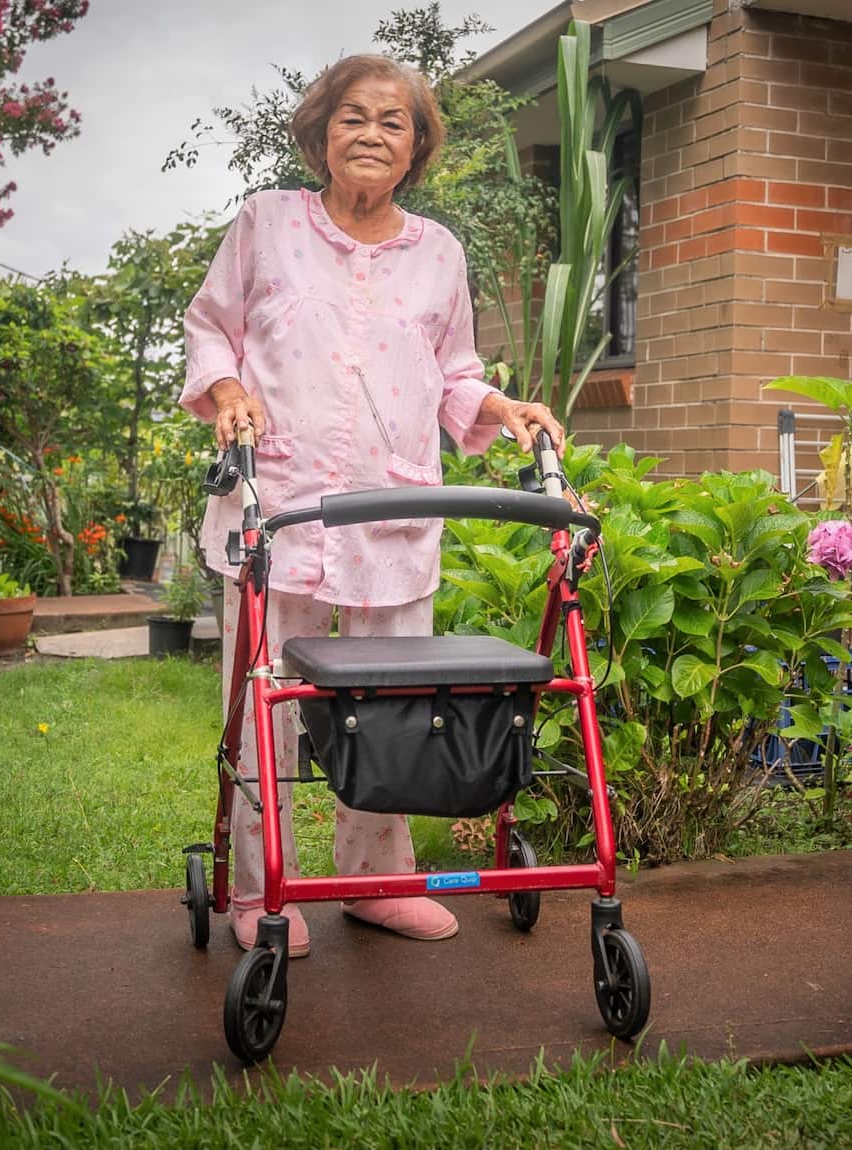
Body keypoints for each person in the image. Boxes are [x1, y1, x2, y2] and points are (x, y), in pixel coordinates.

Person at [180, 53, 564, 958]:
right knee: (267, 705)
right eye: (354, 116)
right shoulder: (267, 223)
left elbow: (455, 374)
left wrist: (500, 409)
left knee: (388, 704)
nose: (372, 134)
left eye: (394, 123)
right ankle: (257, 885)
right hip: (276, 505)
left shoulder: (438, 253)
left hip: (391, 510)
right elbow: (211, 326)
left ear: (416, 147)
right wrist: (228, 387)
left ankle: (374, 883)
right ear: (321, 131)